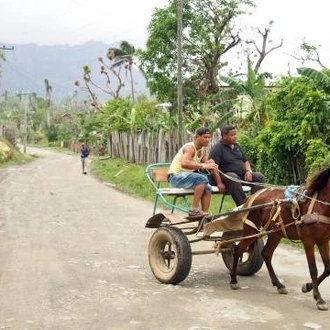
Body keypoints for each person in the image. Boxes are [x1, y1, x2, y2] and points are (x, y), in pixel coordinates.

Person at [167, 127, 220, 217]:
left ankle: (204, 216)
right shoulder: (190, 148)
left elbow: (206, 163)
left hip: (185, 177)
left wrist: (211, 163)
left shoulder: (202, 150)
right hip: (175, 177)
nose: (207, 140)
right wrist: (204, 165)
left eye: (209, 137)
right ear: (196, 137)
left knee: (208, 188)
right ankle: (194, 209)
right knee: (202, 178)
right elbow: (184, 163)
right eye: (205, 137)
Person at [208, 124, 265, 206]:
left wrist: (248, 171)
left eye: (235, 134)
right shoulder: (217, 148)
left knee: (259, 177)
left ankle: (254, 204)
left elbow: (246, 161)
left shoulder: (237, 146)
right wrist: (219, 182)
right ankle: (242, 206)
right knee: (233, 177)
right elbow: (212, 167)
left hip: (241, 176)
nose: (235, 137)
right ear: (224, 136)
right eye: (232, 135)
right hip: (226, 177)